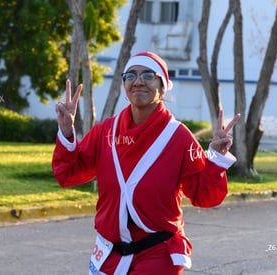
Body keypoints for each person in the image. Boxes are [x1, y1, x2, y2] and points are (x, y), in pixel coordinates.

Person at [52, 51, 240, 275]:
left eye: (148, 75)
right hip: (110, 255)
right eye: (130, 76)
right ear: (124, 86)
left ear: (162, 87)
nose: (138, 81)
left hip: (158, 255)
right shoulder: (106, 132)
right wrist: (66, 132)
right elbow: (68, 173)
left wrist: (216, 157)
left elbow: (203, 194)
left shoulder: (179, 137)